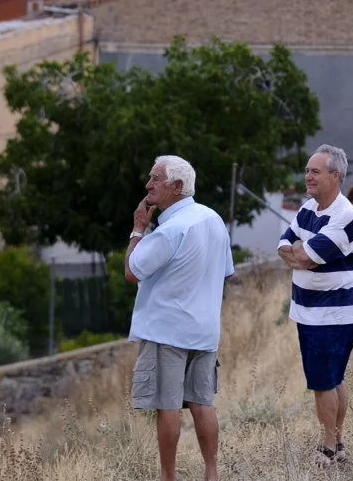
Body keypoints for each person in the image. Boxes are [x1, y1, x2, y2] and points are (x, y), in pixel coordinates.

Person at [124, 155, 233, 481]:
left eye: (156, 179)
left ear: (178, 186)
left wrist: (138, 229)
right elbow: (226, 273)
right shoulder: (213, 219)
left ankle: (168, 476)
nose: (148, 185)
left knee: (168, 406)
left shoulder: (171, 230)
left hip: (167, 330)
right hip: (204, 329)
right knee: (203, 402)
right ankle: (211, 473)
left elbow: (131, 271)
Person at [278, 144, 353, 468]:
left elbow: (301, 255)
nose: (307, 177)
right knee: (333, 378)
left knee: (323, 382)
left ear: (336, 176)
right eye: (306, 171)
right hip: (312, 311)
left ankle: (328, 447)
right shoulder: (308, 209)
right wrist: (300, 254)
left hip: (333, 313)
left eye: (315, 171)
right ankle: (338, 442)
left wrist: (301, 254)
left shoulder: (345, 216)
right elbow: (284, 246)